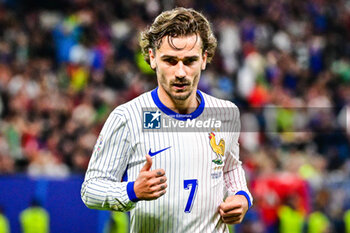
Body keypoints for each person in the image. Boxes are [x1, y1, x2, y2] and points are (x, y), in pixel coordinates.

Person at [81, 7, 252, 232]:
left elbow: (230, 168)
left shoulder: (226, 113)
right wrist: (131, 191)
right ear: (152, 58)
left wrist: (241, 196)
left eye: (189, 61)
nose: (180, 72)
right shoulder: (128, 117)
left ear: (204, 58)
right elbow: (91, 189)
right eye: (170, 61)